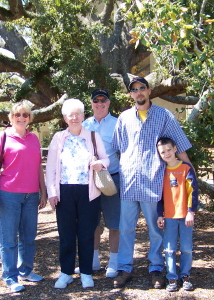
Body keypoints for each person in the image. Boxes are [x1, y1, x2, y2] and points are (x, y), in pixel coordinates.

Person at [112, 76, 193, 289]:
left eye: (142, 88)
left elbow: (180, 145)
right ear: (131, 94)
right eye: (134, 90)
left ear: (149, 91)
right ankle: (124, 268)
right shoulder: (124, 118)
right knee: (126, 228)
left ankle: (156, 268)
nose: (138, 92)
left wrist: (190, 175)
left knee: (155, 229)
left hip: (153, 183)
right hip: (129, 184)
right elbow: (120, 148)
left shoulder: (164, 116)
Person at [45, 98, 110, 289]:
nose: (75, 118)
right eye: (70, 115)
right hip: (64, 190)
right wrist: (52, 192)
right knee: (66, 233)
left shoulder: (92, 136)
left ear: (83, 116)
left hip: (88, 191)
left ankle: (86, 273)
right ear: (65, 117)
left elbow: (107, 159)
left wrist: (101, 164)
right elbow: (50, 168)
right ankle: (66, 272)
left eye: (78, 114)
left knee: (86, 233)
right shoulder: (58, 137)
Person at [0, 100, 47, 293]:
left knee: (29, 236)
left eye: (25, 115)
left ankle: (26, 271)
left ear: (30, 118)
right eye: (17, 115)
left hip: (31, 195)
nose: (21, 118)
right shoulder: (2, 137)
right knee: (9, 239)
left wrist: (43, 191)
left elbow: (38, 167)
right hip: (8, 195)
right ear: (11, 117)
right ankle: (10, 277)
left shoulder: (34, 138)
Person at [81, 88, 121, 278]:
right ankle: (94, 260)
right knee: (92, 222)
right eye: (96, 100)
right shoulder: (84, 124)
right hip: (89, 181)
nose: (100, 104)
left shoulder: (117, 123)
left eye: (103, 100)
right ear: (91, 103)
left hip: (112, 178)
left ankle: (114, 262)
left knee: (114, 222)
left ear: (109, 103)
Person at [156, 137, 198, 292]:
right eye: (162, 152)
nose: (166, 154)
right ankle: (172, 277)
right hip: (169, 217)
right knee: (169, 249)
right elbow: (159, 195)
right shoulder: (161, 171)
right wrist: (160, 214)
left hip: (185, 215)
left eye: (168, 150)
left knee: (186, 248)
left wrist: (191, 212)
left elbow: (192, 192)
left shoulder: (186, 168)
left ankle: (185, 275)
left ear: (175, 149)